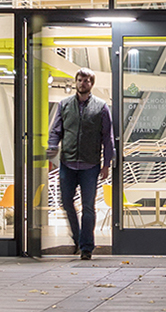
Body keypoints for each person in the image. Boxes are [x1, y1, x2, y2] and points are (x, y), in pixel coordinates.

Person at [45, 67, 114, 260]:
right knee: (66, 202)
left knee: (89, 207)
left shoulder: (101, 107)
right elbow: (56, 130)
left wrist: (106, 164)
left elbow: (107, 138)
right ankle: (77, 237)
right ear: (75, 82)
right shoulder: (64, 105)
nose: (83, 83)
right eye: (80, 80)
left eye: (86, 80)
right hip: (67, 163)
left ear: (92, 84)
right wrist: (53, 146)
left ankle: (86, 248)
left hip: (90, 165)